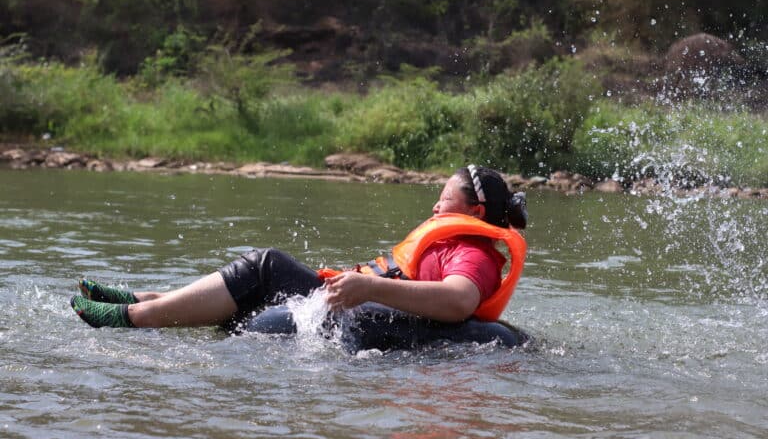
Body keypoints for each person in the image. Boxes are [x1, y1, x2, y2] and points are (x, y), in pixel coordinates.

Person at [70, 165, 528, 333]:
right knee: (261, 274)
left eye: (443, 200)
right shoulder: (450, 239)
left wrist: (368, 288)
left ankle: (131, 319)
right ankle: (142, 300)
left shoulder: (475, 251)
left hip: (368, 312)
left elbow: (460, 300)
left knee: (268, 264)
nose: (434, 206)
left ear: (476, 211)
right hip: (355, 300)